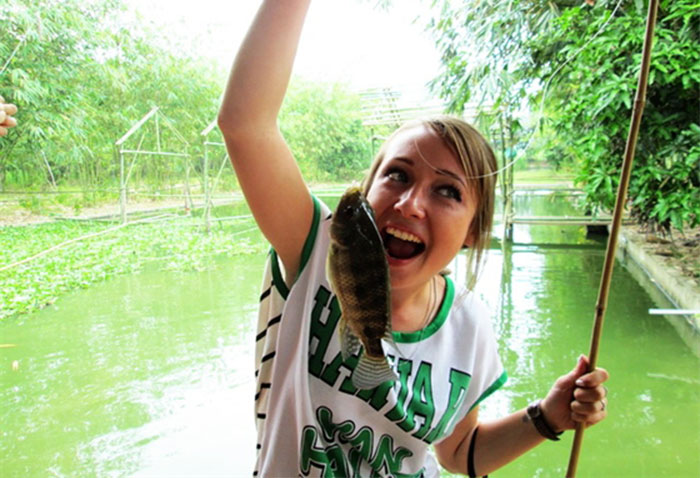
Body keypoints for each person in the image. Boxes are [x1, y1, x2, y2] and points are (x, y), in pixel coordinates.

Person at [217, 1, 609, 476]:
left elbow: (458, 452)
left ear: (473, 232)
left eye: (447, 191)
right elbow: (246, 124)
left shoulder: (468, 326)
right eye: (398, 175)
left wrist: (546, 417)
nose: (410, 204)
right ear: (368, 191)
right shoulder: (317, 247)